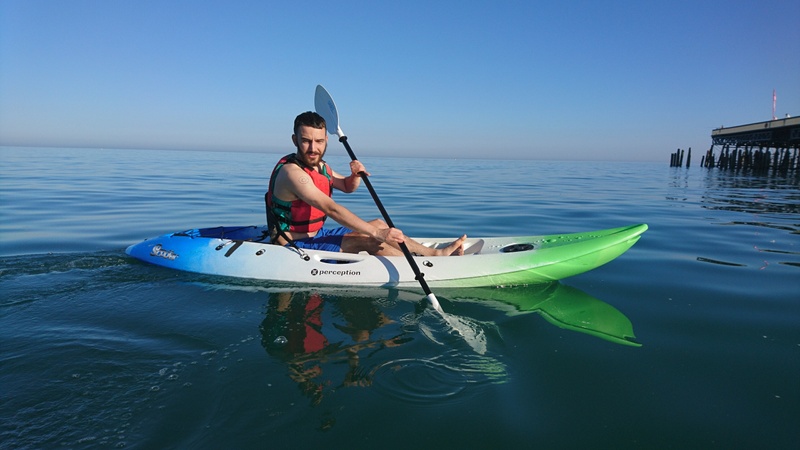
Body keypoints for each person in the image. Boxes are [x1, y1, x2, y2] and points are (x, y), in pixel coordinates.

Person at [266, 111, 466, 256]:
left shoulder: (320, 166)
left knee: (380, 223)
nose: (313, 148)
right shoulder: (292, 173)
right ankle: (422, 272)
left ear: (326, 139)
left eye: (319, 141)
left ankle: (434, 255)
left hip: (319, 234)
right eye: (306, 141)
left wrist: (355, 177)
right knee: (370, 239)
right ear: (295, 140)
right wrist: (378, 235)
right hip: (294, 245)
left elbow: (346, 187)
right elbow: (331, 209)